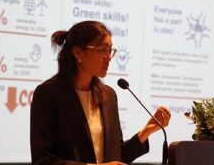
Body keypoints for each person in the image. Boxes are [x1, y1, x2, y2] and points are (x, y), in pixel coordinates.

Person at [30, 20, 171, 165]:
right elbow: (42, 160)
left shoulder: (108, 96)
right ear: (78, 52)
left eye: (110, 50)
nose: (108, 57)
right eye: (102, 49)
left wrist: (146, 131)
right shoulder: (49, 94)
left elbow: (117, 156)